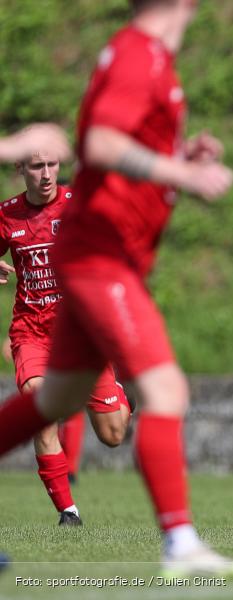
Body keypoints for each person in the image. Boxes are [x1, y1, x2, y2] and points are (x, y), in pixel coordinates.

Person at [0, 0, 233, 577]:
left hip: (102, 256)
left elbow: (115, 149)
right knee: (166, 392)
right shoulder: (141, 55)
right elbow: (103, 146)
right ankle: (182, 544)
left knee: (56, 403)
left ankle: (182, 544)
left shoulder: (147, 57)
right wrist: (179, 173)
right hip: (100, 258)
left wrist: (177, 157)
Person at [1, 151, 132, 526]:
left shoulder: (79, 205)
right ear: (20, 169)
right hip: (32, 333)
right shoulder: (6, 214)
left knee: (113, 435)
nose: (46, 174)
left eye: (52, 165)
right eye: (37, 166)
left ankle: (124, 396)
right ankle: (68, 512)